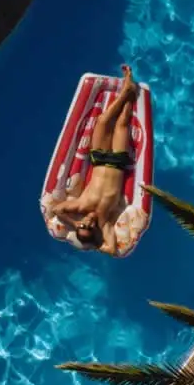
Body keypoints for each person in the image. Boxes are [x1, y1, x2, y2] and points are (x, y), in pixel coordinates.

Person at [45, 66, 140, 255]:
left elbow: (57, 210)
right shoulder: (104, 222)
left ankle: (126, 91)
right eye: (88, 227)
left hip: (99, 158)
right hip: (118, 163)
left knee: (103, 121)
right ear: (95, 230)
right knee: (122, 122)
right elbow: (111, 249)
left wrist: (73, 224)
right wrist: (94, 244)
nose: (86, 223)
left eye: (82, 225)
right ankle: (131, 91)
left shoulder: (81, 206)